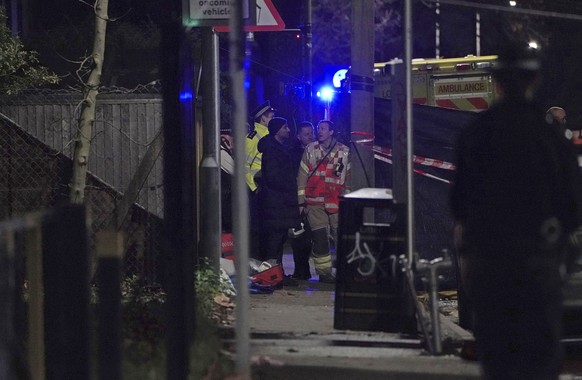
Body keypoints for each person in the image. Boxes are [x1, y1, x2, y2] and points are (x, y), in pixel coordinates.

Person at [450, 42, 582, 380]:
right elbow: (571, 207)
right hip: (537, 268)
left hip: (489, 268)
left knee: (499, 359)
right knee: (538, 359)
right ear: (534, 79)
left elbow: (459, 207)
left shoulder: (476, 134)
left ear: (496, 80)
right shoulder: (550, 137)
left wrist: (469, 264)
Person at [297, 120, 350, 283]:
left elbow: (348, 179)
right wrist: (301, 202)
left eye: (323, 129)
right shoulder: (310, 149)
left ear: (331, 131)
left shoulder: (344, 152)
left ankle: (344, 270)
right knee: (319, 238)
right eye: (318, 129)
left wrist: (347, 201)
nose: (319, 131)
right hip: (314, 202)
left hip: (336, 202)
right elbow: (302, 176)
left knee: (341, 237)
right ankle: (324, 273)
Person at [257, 117, 300, 287]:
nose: (288, 130)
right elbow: (274, 177)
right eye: (285, 127)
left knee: (280, 239)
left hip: (280, 203)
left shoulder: (279, 149)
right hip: (276, 203)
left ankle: (278, 274)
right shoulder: (272, 151)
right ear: (277, 130)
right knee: (275, 240)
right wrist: (290, 185)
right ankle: (271, 275)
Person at [245, 100, 276, 259]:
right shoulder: (253, 138)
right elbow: (244, 165)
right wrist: (254, 187)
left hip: (267, 188)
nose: (273, 118)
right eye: (271, 116)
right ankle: (256, 260)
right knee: (257, 227)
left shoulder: (270, 136)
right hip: (257, 189)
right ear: (262, 118)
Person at [289, 121, 315, 280]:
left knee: (308, 238)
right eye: (306, 134)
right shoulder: (295, 153)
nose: (310, 137)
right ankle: (301, 270)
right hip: (300, 200)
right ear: (298, 136)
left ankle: (303, 270)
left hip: (313, 200)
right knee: (299, 237)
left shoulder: (316, 151)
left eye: (311, 133)